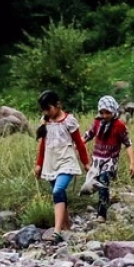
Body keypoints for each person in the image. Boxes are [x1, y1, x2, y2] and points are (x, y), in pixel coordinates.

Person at [33, 90, 89, 232]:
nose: (47, 112)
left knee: (58, 191)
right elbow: (43, 145)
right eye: (44, 110)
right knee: (60, 194)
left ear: (58, 105)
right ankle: (67, 229)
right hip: (51, 162)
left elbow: (79, 143)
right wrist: (39, 164)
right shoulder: (46, 122)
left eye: (48, 108)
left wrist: (86, 162)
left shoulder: (69, 121)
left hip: (66, 161)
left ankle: (57, 231)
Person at [83, 96, 134, 219]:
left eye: (108, 112)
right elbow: (88, 135)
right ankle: (102, 201)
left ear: (113, 111)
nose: (105, 115)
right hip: (97, 159)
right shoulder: (97, 122)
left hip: (111, 160)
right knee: (92, 184)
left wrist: (132, 163)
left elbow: (128, 144)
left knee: (103, 181)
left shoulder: (119, 125)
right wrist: (76, 144)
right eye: (102, 112)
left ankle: (102, 214)